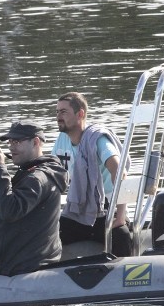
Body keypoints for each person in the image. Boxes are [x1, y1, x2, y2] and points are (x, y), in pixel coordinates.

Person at [0, 121, 69, 275]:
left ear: (35, 142)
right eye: (10, 142)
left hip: (24, 261)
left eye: (17, 142)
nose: (11, 147)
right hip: (27, 253)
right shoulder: (32, 171)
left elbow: (10, 210)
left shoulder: (38, 177)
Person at [52, 91, 133, 256]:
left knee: (121, 236)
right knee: (50, 233)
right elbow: (52, 175)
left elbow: (119, 172)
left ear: (80, 114)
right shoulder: (62, 139)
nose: (58, 116)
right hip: (79, 211)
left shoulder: (96, 139)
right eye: (57, 112)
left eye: (64, 112)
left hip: (108, 210)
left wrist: (120, 217)